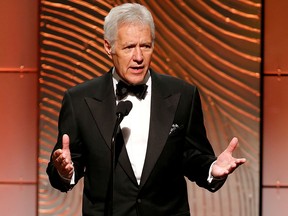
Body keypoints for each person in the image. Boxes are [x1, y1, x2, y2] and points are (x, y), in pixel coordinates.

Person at [46, 3, 246, 216]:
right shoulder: (79, 100)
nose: (139, 57)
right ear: (108, 47)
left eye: (146, 46)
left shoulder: (183, 95)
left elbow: (193, 156)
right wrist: (64, 171)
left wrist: (212, 170)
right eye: (129, 47)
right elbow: (67, 164)